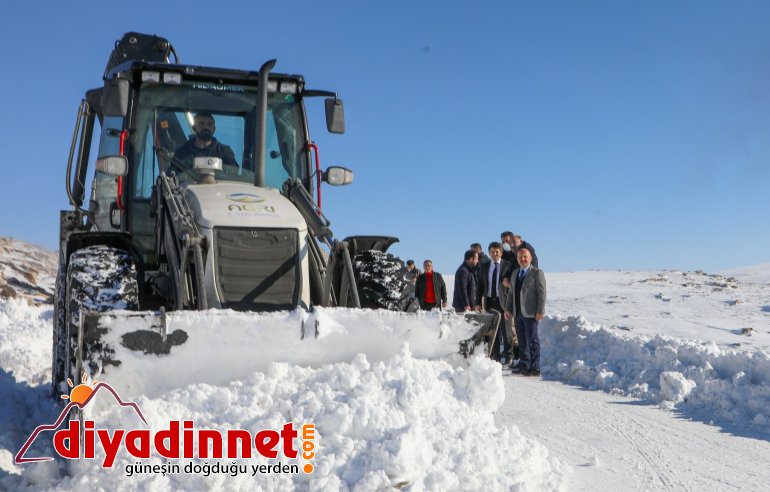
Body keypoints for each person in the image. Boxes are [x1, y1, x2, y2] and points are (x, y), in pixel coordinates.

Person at [504, 247, 546, 377]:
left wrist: (540, 311)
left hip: (531, 313)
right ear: (517, 259)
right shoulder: (515, 273)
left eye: (525, 257)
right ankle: (524, 365)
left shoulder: (537, 273)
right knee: (522, 341)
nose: (522, 259)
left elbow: (542, 293)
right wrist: (508, 308)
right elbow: (511, 294)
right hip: (517, 313)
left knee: (532, 340)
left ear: (530, 258)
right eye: (520, 257)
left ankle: (535, 367)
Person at [475, 242, 514, 362]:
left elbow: (512, 283)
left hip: (504, 303)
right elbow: (480, 286)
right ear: (489, 253)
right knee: (494, 331)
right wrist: (478, 303)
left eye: (497, 251)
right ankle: (495, 357)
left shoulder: (508, 265)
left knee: (506, 331)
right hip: (490, 303)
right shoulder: (484, 266)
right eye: (492, 252)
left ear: (501, 252)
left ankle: (509, 357)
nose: (495, 254)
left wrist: (508, 282)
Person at [172, 112, 238, 172]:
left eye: (209, 124)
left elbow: (233, 175)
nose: (206, 127)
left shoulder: (224, 151)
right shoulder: (181, 153)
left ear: (214, 129)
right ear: (193, 128)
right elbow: (172, 176)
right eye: (201, 124)